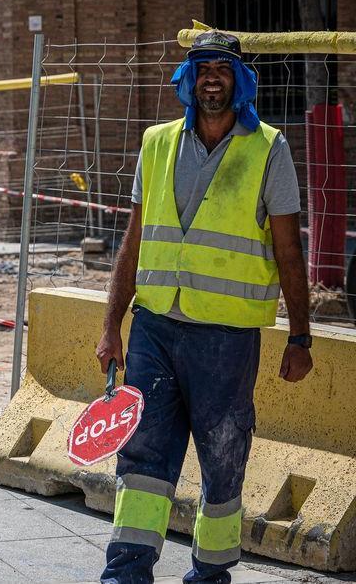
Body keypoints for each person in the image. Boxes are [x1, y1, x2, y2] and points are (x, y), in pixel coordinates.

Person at [97, 31, 313, 584]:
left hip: (226, 339)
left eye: (221, 68)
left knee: (222, 461)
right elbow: (134, 239)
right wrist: (111, 325)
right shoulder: (157, 142)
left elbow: (289, 248)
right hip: (154, 329)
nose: (210, 77)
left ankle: (211, 576)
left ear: (238, 81)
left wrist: (301, 336)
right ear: (188, 80)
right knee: (142, 458)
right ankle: (125, 573)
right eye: (201, 68)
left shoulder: (270, 147)